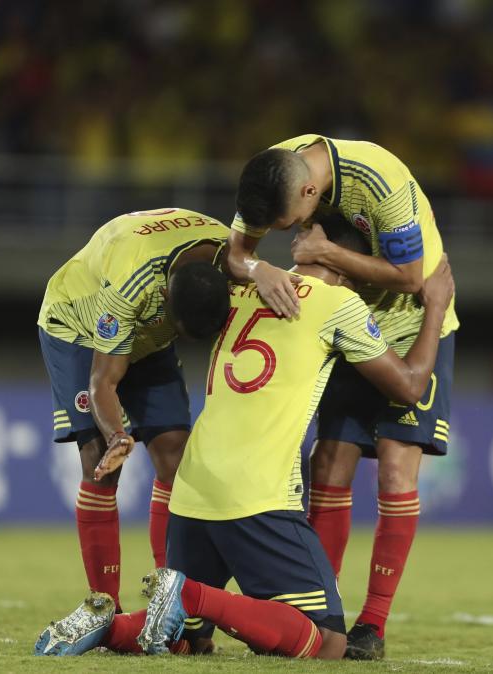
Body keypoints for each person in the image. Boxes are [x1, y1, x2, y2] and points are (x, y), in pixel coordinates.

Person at [33, 215, 456, 659]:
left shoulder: (235, 288)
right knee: (327, 641)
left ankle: (108, 625)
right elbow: (408, 386)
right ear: (351, 270)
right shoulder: (337, 304)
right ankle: (188, 595)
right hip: (258, 497)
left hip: (191, 494)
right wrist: (435, 309)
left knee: (186, 640)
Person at [229, 134, 459, 659]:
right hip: (344, 325)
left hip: (413, 325)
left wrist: (326, 251)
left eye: (288, 223)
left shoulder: (381, 180)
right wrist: (259, 268)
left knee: (398, 473)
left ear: (311, 192)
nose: (283, 233)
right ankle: (318, 611)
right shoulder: (273, 171)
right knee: (329, 461)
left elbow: (409, 278)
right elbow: (238, 252)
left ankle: (371, 626)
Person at [37, 208, 230, 616]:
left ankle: (168, 605)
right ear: (165, 299)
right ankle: (104, 609)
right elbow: (102, 383)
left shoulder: (231, 253)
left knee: (175, 453)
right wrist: (118, 436)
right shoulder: (130, 285)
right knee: (99, 461)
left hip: (148, 336)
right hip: (77, 324)